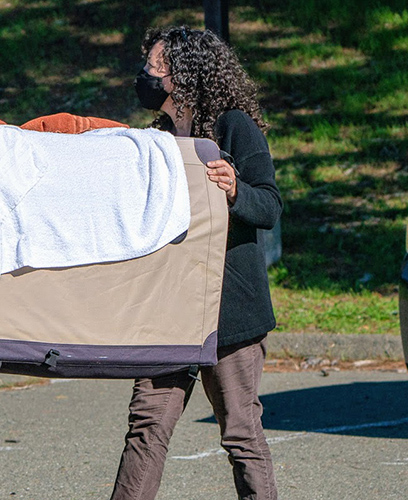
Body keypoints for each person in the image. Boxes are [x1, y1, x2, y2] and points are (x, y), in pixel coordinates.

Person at [110, 27, 283, 500]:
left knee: (241, 433)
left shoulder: (233, 126)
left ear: (183, 74)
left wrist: (234, 190)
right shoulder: (158, 137)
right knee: (147, 426)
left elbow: (268, 206)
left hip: (229, 310)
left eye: (155, 66)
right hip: (169, 308)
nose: (146, 74)